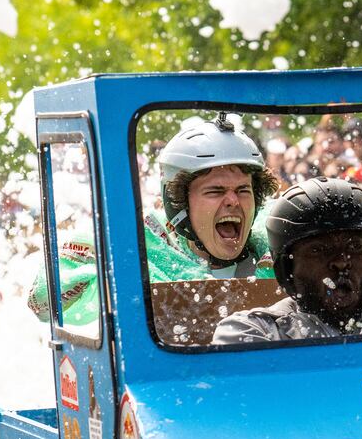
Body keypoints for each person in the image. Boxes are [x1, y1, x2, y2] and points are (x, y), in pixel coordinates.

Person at [29, 114, 281, 323]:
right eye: (215, 191)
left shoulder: (279, 245)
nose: (233, 201)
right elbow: (42, 305)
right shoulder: (139, 249)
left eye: (243, 190)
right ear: (178, 203)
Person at [212, 178, 362, 343]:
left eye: (354, 247)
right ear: (287, 271)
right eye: (318, 250)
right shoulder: (254, 331)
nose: (341, 262)